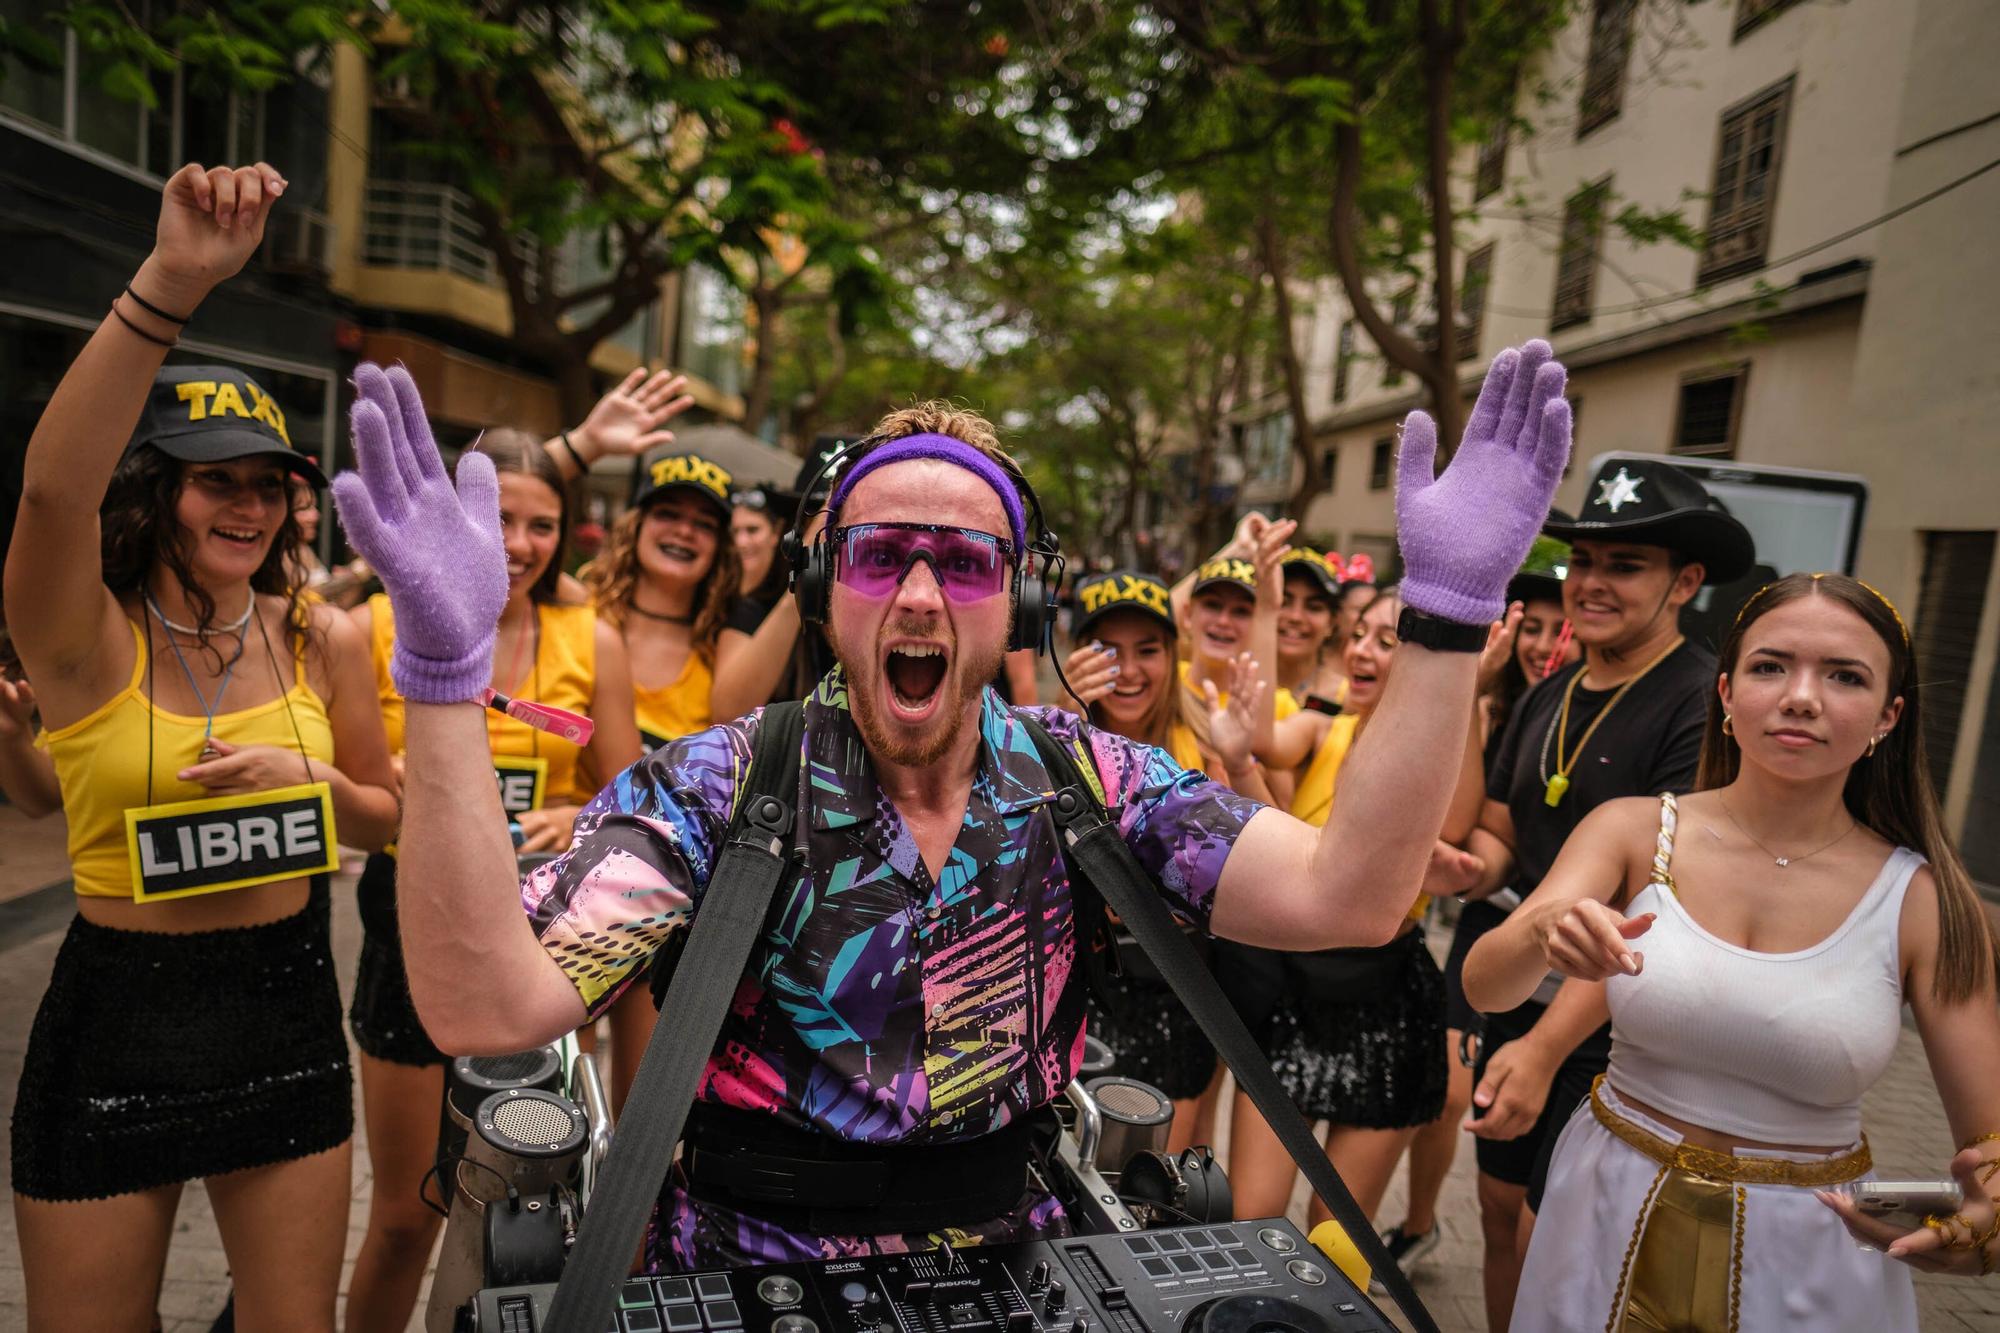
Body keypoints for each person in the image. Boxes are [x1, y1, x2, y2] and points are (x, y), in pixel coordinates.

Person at [329, 339, 1574, 1270]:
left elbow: (1351, 897)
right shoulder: (717, 785)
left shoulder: (1088, 778)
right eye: (880, 555)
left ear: (1019, 604)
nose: (920, 595)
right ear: (825, 582)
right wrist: (440, 679)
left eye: (964, 561)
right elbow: (486, 1003)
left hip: (1018, 1261)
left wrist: (1449, 617)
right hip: (749, 1262)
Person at [5, 161, 400, 1332]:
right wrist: (171, 282)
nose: (249, 507)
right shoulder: (82, 639)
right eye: (212, 481)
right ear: (151, 491)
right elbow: (44, 497)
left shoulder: (319, 634)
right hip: (115, 1019)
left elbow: (394, 816)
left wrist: (317, 785)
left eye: (270, 484)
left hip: (283, 1011)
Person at [1463, 572, 2000, 1327]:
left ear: (1889, 714)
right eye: (1770, 665)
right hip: (1601, 1215)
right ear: (1724, 691)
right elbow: (1487, 984)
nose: (1801, 696)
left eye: (1844, 675)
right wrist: (1541, 930)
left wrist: (1972, 1228)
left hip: (1809, 1257)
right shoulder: (1633, 830)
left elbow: (1990, 1152)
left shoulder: (1927, 902)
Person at [1442, 457, 1755, 1333]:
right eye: (1583, 561)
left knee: (1559, 1231)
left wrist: (1543, 1051)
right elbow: (1501, 833)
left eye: (1624, 566)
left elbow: (1663, 905)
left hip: (1614, 1023)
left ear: (1686, 582)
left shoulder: (1702, 705)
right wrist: (1469, 867)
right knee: (1500, 1218)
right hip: (1518, 994)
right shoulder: (1552, 689)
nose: (1591, 584)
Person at [344, 428, 641, 1332]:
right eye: (500, 516)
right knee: (404, 1215)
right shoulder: (376, 624)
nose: (516, 542)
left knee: (530, 1199)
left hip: (545, 936)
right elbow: (358, 794)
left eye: (542, 524)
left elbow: (634, 802)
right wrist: (413, 785)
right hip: (411, 928)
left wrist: (577, 822)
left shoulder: (593, 636)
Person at [1218, 586, 1494, 1227]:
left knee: (1335, 1227)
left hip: (1386, 1006)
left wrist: (1467, 691)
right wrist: (1237, 759)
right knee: (1253, 1213)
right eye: (1360, 635)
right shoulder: (1325, 726)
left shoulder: (1439, 757)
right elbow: (1275, 816)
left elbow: (1457, 823)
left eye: (1387, 639)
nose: (1363, 651)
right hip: (1296, 997)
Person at [1376, 558, 1577, 1276]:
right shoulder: (1495, 698)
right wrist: (1475, 693)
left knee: (1480, 1108)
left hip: (1568, 954)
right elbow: (1465, 829)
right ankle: (1423, 1219)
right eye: (1534, 625)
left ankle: (1424, 1219)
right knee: (1453, 1089)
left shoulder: (1571, 704)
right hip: (1488, 922)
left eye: (1562, 627)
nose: (1544, 641)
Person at [1060, 568, 1270, 1151]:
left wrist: (1241, 761)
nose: (1127, 672)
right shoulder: (1048, 741)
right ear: (1076, 657)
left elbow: (1276, 860)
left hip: (1177, 997)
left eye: (1147, 650)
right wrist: (1062, 713)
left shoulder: (1203, 742)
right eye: (1106, 651)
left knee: (1160, 1185)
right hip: (1074, 1002)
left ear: (1172, 656)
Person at [580, 450, 740, 1113]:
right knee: (555, 1107)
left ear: (722, 547)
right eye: (668, 512)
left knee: (641, 1121)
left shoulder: (727, 649)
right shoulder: (577, 616)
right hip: (571, 882)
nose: (683, 530)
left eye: (705, 523)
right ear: (635, 523)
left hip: (671, 904)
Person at [1277, 547, 1347, 713]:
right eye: (1283, 602)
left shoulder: (1349, 699)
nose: (1296, 617)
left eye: (1314, 607)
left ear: (1332, 623)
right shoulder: (1232, 682)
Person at [732, 483, 794, 606]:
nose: (741, 542)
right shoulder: (721, 588)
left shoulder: (790, 594)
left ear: (776, 531)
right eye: (735, 531)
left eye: (752, 530)